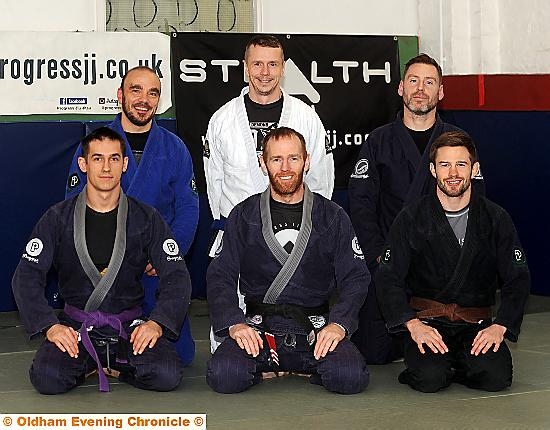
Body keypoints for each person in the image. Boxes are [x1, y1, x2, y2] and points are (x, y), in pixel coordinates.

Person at [13, 127, 192, 394]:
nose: (106, 167)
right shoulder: (57, 218)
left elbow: (177, 275)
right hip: (77, 326)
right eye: (97, 158)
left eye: (114, 159)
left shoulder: (146, 218)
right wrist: (50, 327)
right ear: (83, 164)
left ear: (125, 164)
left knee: (167, 375)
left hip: (128, 326)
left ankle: (105, 364)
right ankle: (98, 362)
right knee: (47, 378)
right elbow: (26, 276)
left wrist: (155, 323)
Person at [206, 127, 369, 394]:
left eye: (293, 158)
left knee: (350, 377)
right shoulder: (243, 214)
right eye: (276, 159)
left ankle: (294, 366)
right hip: (260, 330)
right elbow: (220, 276)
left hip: (315, 329)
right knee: (224, 375)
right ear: (263, 163)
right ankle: (282, 365)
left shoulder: (332, 215)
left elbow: (356, 276)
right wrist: (235, 323)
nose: (285, 167)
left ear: (307, 160)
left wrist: (339, 324)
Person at [348, 53, 485, 364]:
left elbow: (476, 204)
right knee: (374, 353)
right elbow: (362, 204)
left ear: (441, 92)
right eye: (413, 81)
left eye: (429, 82)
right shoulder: (378, 141)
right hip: (389, 263)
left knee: (446, 354)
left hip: (440, 269)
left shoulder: (457, 142)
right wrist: (378, 256)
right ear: (400, 88)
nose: (420, 89)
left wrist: (457, 256)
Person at [204, 34, 334, 351]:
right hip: (241, 237)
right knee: (233, 339)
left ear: (283, 68)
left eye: (272, 64)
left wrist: (313, 233)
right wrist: (229, 229)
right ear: (245, 67)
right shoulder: (222, 120)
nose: (265, 72)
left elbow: (321, 180)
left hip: (295, 235)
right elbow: (214, 184)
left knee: (297, 311)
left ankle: (296, 352)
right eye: (258, 63)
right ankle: (236, 352)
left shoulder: (306, 117)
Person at [376, 131, 530, 393]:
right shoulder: (411, 217)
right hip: (429, 323)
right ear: (433, 170)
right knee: (429, 379)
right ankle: (442, 365)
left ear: (474, 169)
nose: (453, 173)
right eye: (445, 165)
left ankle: (457, 364)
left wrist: (500, 326)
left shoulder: (495, 218)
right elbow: (388, 277)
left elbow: (518, 278)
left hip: (476, 324)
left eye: (461, 164)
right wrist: (413, 326)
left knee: (496, 378)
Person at [65, 66, 198, 366]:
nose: (144, 99)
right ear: (120, 95)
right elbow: (73, 206)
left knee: (180, 355)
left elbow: (188, 208)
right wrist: (99, 255)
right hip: (104, 265)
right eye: (136, 90)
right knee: (83, 350)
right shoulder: (95, 145)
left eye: (153, 93)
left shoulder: (174, 148)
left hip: (153, 265)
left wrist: (167, 254)